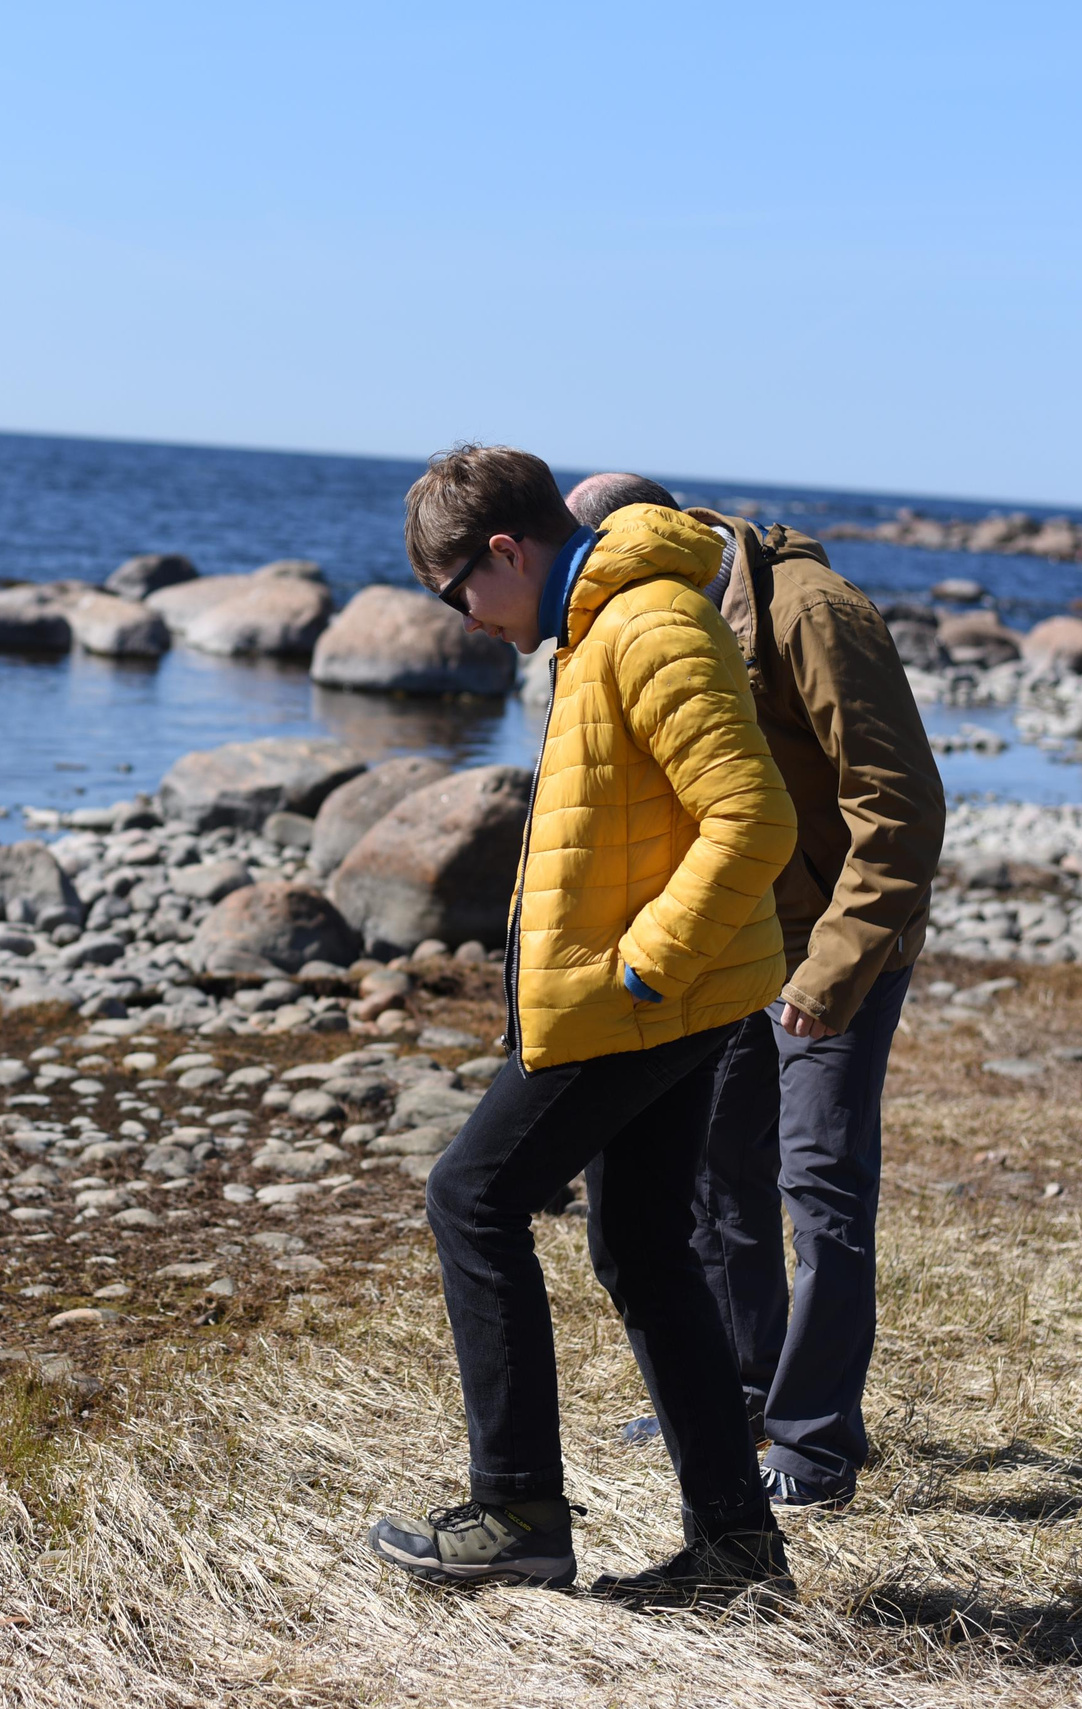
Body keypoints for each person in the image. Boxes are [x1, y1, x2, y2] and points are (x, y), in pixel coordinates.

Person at [363, 445, 799, 1604]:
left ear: (505, 552)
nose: (462, 619)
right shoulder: (599, 627)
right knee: (646, 1249)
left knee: (472, 1195)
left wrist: (644, 969)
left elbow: (752, 816)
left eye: (457, 593)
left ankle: (515, 1507)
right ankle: (737, 1550)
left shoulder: (647, 623)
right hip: (657, 996)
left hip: (643, 1000)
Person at [564, 472, 946, 1509]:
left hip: (838, 940)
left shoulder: (812, 612)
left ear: (665, 537)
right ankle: (732, 1390)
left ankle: (815, 1443)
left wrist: (831, 972)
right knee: (712, 1169)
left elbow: (900, 805)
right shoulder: (658, 617)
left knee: (818, 1182)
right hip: (734, 940)